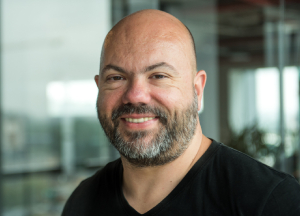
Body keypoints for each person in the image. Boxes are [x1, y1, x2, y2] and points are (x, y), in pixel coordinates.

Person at [62, 9, 300, 216]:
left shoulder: (271, 201)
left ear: (197, 90)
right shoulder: (83, 201)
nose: (135, 95)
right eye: (116, 78)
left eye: (159, 76)